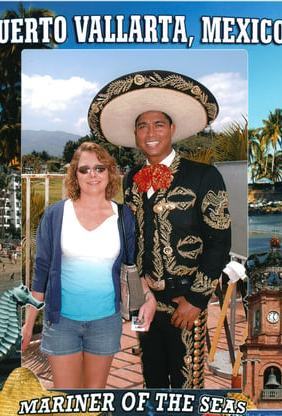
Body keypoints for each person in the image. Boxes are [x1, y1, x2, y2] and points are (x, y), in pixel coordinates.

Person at [88, 70, 232, 388]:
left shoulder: (203, 176)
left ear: (172, 129)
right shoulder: (132, 178)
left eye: (158, 124)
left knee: (186, 387)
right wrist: (138, 290)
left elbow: (220, 241)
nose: (150, 133)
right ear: (136, 133)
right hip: (145, 302)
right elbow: (131, 237)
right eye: (143, 126)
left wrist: (196, 299)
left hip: (185, 302)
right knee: (151, 379)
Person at [22, 142, 156, 389]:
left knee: (93, 399)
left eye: (99, 168)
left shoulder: (124, 216)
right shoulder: (55, 215)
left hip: (105, 322)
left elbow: (133, 266)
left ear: (109, 173)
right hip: (61, 323)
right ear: (75, 175)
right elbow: (41, 272)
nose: (92, 174)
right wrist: (29, 324)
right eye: (84, 169)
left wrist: (148, 297)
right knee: (67, 400)